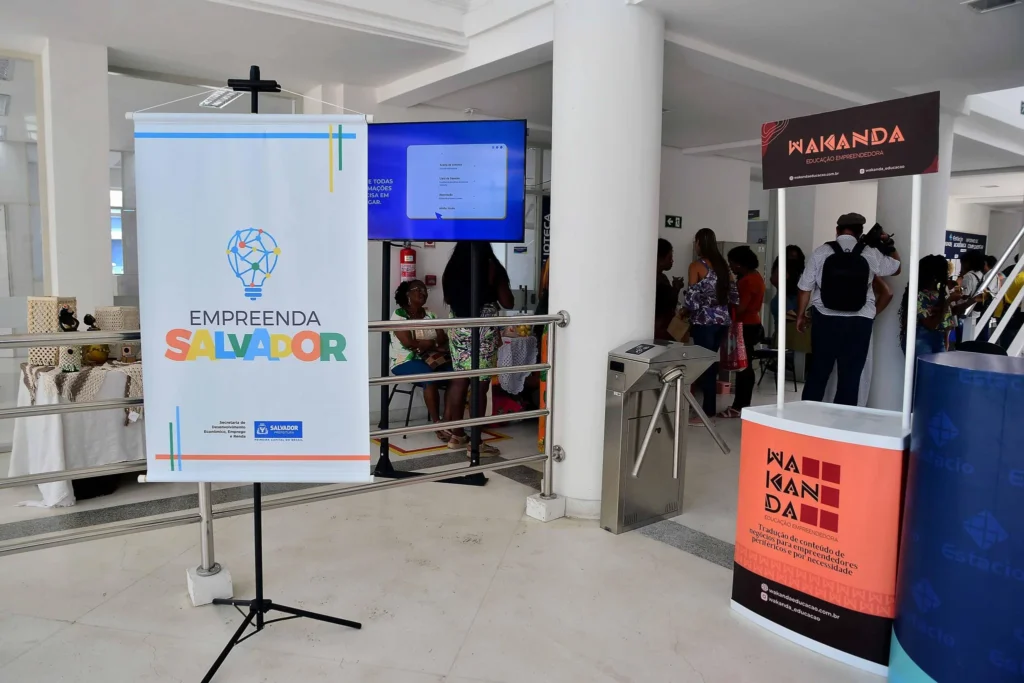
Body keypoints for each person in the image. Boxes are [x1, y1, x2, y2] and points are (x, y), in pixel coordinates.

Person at [796, 212, 901, 406]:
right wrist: (888, 243)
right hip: (859, 322)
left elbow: (804, 288)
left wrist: (801, 315)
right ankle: (842, 419)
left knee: (818, 372)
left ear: (837, 230)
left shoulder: (821, 252)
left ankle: (806, 416)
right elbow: (896, 267)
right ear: (860, 232)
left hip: (825, 320)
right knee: (850, 377)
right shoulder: (870, 253)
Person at [441, 242, 514, 453]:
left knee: (459, 380)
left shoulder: (452, 267)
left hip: (458, 326)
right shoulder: (490, 265)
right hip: (483, 326)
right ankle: (475, 442)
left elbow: (448, 297)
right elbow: (508, 302)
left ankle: (457, 435)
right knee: (480, 384)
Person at [683, 228, 737, 425]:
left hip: (704, 322)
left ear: (699, 243)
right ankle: (708, 409)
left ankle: (706, 413)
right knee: (712, 364)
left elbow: (692, 300)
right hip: (722, 322)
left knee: (704, 365)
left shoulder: (696, 266)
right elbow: (734, 295)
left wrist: (683, 312)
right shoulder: (724, 267)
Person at [389, 280, 452, 440]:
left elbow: (443, 340)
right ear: (407, 294)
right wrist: (432, 344)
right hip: (404, 362)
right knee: (428, 375)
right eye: (418, 289)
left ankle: (448, 421)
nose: (423, 292)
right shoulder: (399, 315)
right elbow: (408, 343)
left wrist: (428, 344)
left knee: (456, 373)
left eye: (425, 290)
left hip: (432, 359)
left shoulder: (431, 315)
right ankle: (437, 425)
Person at [717, 246, 765, 418]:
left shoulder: (747, 281)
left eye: (731, 263)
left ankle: (739, 406)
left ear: (739, 264)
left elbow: (740, 307)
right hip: (754, 324)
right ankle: (743, 404)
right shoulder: (756, 276)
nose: (730, 267)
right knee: (746, 366)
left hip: (744, 326)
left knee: (742, 368)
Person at [899, 255, 956, 357]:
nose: (947, 275)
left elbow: (947, 316)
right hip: (921, 338)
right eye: (944, 271)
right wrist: (948, 301)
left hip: (937, 338)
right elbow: (930, 324)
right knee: (924, 368)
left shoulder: (939, 292)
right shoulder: (919, 295)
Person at [769, 245, 806, 328]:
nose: (792, 260)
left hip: (794, 299)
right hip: (784, 298)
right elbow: (774, 280)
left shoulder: (799, 270)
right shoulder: (781, 267)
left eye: (795, 257)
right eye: (790, 256)